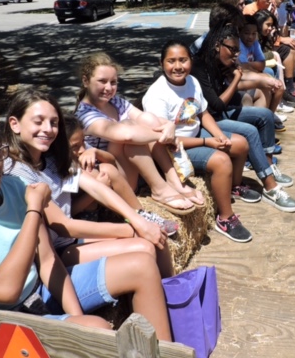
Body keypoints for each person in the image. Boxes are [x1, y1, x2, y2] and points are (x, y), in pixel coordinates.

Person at [0, 110, 172, 358]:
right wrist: (34, 210)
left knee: (141, 265)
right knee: (99, 332)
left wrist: (74, 315)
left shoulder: (12, 186)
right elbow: (5, 289)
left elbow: (47, 260)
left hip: (35, 294)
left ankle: (166, 352)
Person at [3, 88, 174, 278]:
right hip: (53, 256)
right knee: (145, 246)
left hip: (71, 241)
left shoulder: (50, 157)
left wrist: (138, 220)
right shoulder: (16, 172)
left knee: (155, 239)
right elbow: (62, 225)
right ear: (14, 124)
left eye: (53, 123)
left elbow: (96, 188)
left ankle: (173, 291)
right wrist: (132, 229)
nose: (48, 129)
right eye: (38, 121)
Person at [143, 40, 257, 242]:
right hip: (175, 148)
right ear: (162, 64)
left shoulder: (192, 82)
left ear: (190, 61)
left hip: (197, 134)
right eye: (171, 61)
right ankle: (225, 218)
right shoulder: (157, 94)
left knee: (240, 144)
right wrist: (207, 143)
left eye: (183, 60)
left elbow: (203, 113)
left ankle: (233, 186)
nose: (178, 66)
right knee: (221, 161)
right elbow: (163, 141)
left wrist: (217, 135)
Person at [75, 52, 204, 215]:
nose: (108, 88)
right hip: (114, 181)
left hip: (128, 170)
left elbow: (148, 119)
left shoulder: (114, 101)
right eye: (102, 81)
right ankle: (159, 188)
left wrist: (169, 125)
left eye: (113, 82)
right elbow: (125, 135)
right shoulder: (84, 114)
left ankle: (174, 180)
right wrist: (164, 137)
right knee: (129, 130)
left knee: (147, 119)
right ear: (86, 81)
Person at [191, 23, 295, 212]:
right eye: (232, 50)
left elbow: (230, 89)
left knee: (265, 115)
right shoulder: (201, 68)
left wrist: (258, 80)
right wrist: (235, 78)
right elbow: (217, 104)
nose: (236, 55)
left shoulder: (221, 63)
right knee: (249, 132)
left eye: (237, 51)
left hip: (221, 113)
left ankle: (268, 165)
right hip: (210, 120)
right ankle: (271, 187)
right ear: (218, 45)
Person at [64, 114, 179, 237]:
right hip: (81, 219)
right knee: (92, 173)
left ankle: (140, 214)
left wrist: (95, 152)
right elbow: (69, 211)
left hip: (101, 200)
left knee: (107, 168)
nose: (82, 149)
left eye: (83, 142)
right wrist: (97, 189)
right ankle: (136, 220)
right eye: (75, 147)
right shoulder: (60, 169)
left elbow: (112, 162)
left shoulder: (83, 149)